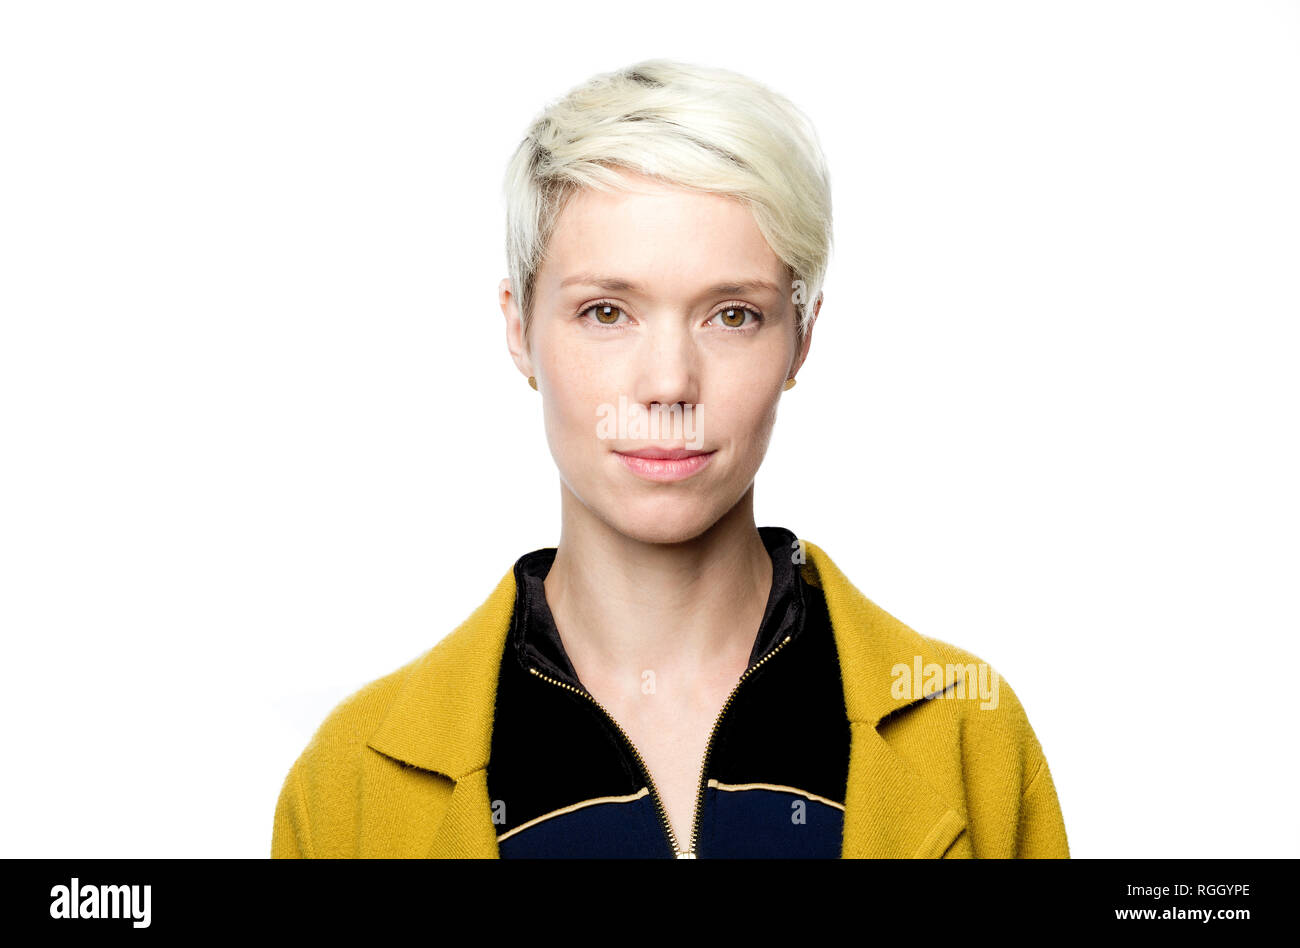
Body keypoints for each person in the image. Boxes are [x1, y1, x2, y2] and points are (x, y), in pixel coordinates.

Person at [271, 59, 1069, 859]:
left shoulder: (970, 734)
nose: (668, 384)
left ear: (803, 336)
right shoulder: (352, 782)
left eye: (732, 315)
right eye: (606, 311)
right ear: (519, 331)